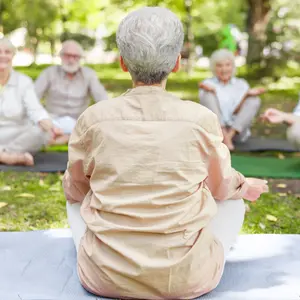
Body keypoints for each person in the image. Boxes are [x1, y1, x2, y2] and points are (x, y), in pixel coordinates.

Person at [63, 7, 268, 300]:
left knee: (74, 195)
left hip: (104, 278)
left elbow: (76, 188)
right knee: (233, 200)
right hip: (188, 281)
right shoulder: (201, 119)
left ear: (122, 63)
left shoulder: (92, 119)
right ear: (176, 64)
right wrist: (245, 186)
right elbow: (221, 185)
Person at [0, 37, 62, 166]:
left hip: (17, 136)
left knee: (42, 132)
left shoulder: (24, 81)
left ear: (12, 55)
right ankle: (9, 158)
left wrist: (50, 125)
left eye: (7, 52)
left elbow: (35, 110)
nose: (3, 56)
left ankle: (5, 155)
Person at [35, 40, 108, 144]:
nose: (71, 60)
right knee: (35, 131)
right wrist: (41, 119)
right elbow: (33, 97)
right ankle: (72, 138)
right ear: (61, 56)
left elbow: (102, 98)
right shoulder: (48, 73)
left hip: (79, 121)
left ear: (80, 58)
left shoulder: (89, 74)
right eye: (68, 56)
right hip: (53, 121)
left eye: (75, 56)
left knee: (101, 130)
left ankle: (65, 138)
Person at [199, 49, 266, 150]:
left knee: (254, 99)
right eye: (219, 65)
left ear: (233, 66)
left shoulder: (241, 84)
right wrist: (210, 91)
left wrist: (246, 95)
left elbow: (236, 112)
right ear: (214, 68)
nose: (224, 69)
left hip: (237, 132)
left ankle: (228, 137)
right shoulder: (207, 83)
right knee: (207, 94)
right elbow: (207, 108)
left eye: (227, 65)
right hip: (215, 132)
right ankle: (225, 137)